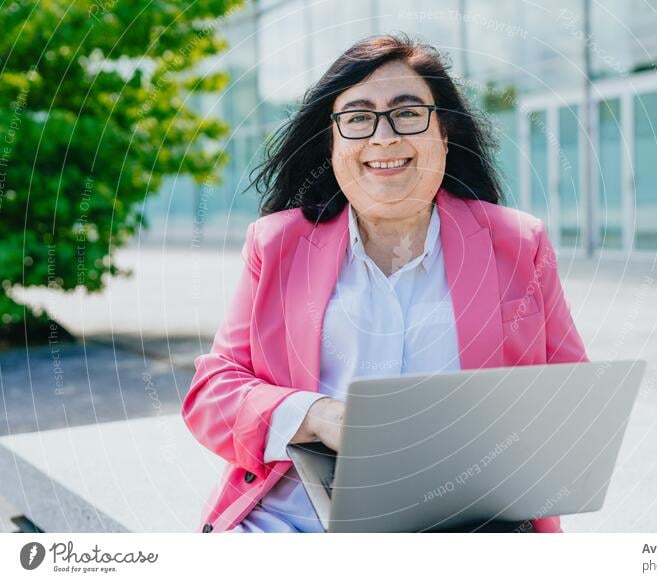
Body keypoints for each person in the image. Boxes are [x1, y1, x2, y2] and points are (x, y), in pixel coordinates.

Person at [182, 33, 589, 534]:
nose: (383, 138)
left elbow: (574, 399)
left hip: (466, 526)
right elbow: (212, 392)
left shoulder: (517, 242)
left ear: (444, 134)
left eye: (408, 113)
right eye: (357, 118)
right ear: (331, 143)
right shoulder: (276, 245)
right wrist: (316, 416)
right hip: (293, 523)